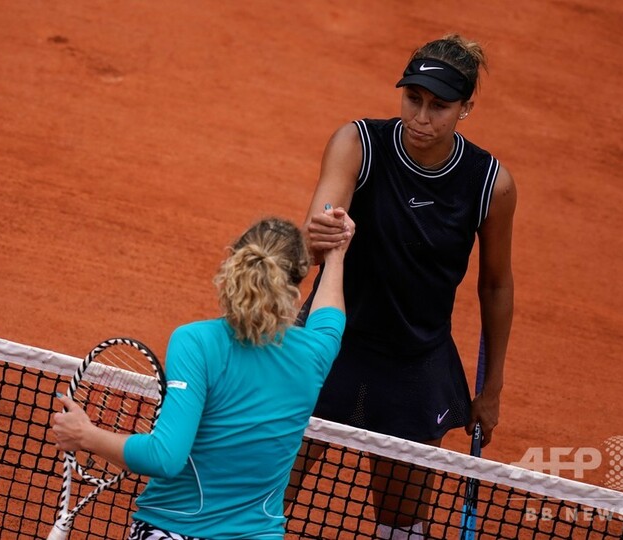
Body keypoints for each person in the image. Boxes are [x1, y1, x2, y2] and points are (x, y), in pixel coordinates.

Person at [298, 34, 516, 539]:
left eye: (439, 106)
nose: (421, 117)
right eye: (413, 98)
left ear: (466, 108)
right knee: (265, 494)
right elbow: (317, 234)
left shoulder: (490, 183)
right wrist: (320, 234)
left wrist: (492, 389)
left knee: (401, 525)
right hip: (331, 344)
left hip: (414, 365)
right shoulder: (358, 143)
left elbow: (496, 286)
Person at [51, 213, 355, 540]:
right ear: (297, 279)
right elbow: (330, 320)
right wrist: (336, 254)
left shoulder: (196, 342)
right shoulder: (315, 352)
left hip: (172, 530)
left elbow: (165, 457)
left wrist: (85, 436)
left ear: (233, 262)